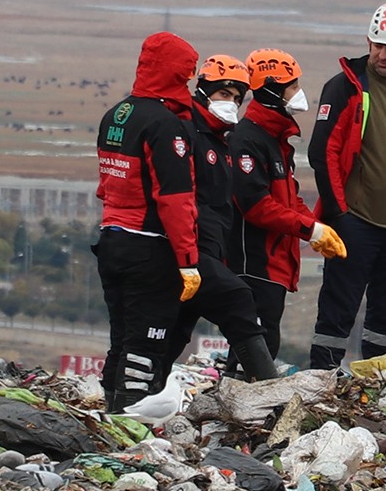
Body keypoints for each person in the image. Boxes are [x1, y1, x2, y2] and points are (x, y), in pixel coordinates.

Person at [306, 2, 386, 367]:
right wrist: (339, 214)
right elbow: (323, 153)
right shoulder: (346, 87)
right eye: (377, 44)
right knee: (337, 309)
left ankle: (375, 385)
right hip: (358, 221)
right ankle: (321, 379)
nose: (382, 54)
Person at [90, 30, 205, 412]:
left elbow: (105, 186)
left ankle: (111, 410)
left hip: (111, 240)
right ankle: (128, 419)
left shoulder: (115, 116)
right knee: (146, 342)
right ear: (176, 72)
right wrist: (188, 260)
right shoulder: (165, 125)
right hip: (150, 246)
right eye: (186, 75)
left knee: (121, 337)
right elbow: (174, 199)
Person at [225, 48, 342, 356]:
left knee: (261, 344)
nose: (298, 93)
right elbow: (256, 206)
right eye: (292, 86)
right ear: (272, 90)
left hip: (274, 264)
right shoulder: (246, 140)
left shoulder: (275, 140)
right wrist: (309, 231)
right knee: (256, 348)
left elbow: (288, 198)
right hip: (253, 264)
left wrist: (316, 226)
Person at [181, 53, 280, 382]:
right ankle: (265, 388)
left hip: (207, 253)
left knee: (175, 332)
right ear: (203, 90)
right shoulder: (187, 134)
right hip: (186, 253)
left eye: (237, 97)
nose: (231, 103)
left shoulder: (221, 140)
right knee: (239, 301)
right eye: (224, 94)